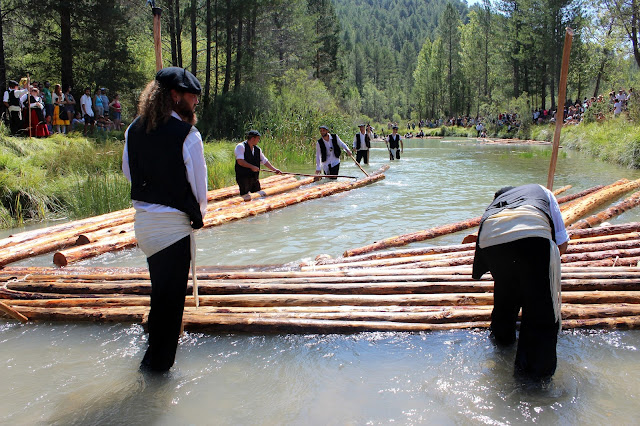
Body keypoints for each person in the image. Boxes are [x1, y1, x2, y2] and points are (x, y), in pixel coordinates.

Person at [122, 66, 207, 373]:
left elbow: (128, 173)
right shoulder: (188, 135)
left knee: (161, 296)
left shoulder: (133, 129)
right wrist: (196, 217)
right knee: (170, 308)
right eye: (192, 96)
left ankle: (150, 358)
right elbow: (200, 191)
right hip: (172, 230)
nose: (196, 102)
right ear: (175, 96)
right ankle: (155, 379)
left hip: (144, 226)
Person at [471, 184, 569, 381]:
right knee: (539, 313)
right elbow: (562, 243)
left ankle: (502, 344)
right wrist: (540, 272)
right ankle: (531, 384)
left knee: (505, 295)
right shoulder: (544, 192)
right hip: (531, 233)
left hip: (490, 238)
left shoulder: (499, 201)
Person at [234, 130, 281, 198]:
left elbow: (264, 161)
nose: (258, 140)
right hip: (243, 177)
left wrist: (275, 170)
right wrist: (252, 167)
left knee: (258, 195)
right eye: (258, 138)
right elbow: (240, 161)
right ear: (253, 138)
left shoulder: (257, 149)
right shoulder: (240, 147)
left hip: (254, 178)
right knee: (245, 197)